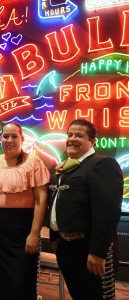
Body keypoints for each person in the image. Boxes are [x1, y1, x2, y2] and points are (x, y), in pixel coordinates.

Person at [48, 119, 123, 300]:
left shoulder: (103, 164)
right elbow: (56, 203)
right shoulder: (61, 167)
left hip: (89, 249)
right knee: (78, 295)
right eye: (70, 135)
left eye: (79, 135)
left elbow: (107, 212)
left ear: (92, 141)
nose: (72, 139)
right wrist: (55, 236)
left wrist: (98, 252)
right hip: (66, 248)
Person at [0, 121, 50, 300]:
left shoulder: (33, 162)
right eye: (5, 136)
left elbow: (41, 201)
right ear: (0, 138)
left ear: (22, 139)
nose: (9, 140)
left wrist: (35, 233)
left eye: (14, 136)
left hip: (22, 228)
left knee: (21, 281)